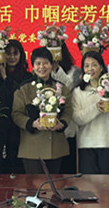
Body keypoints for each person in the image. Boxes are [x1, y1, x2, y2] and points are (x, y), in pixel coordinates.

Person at [12, 46, 73, 174]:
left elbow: (68, 110)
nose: (42, 67)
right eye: (38, 63)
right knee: (35, 185)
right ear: (33, 66)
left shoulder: (61, 88)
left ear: (52, 65)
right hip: (32, 149)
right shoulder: (24, 88)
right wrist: (32, 124)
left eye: (45, 63)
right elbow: (16, 114)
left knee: (55, 184)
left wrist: (62, 123)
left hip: (56, 147)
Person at [71, 51, 109, 174]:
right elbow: (77, 118)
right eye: (86, 66)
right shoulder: (78, 92)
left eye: (94, 65)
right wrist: (96, 108)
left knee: (108, 183)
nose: (90, 69)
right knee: (89, 183)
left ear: (101, 67)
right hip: (87, 145)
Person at [1, 39, 32, 173]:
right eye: (8, 53)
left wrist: (6, 78)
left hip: (19, 125)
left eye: (15, 53)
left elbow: (18, 94)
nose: (12, 57)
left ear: (21, 55)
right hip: (2, 122)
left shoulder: (27, 76)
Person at [53, 41, 81, 173]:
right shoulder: (41, 70)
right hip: (48, 129)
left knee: (68, 170)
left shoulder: (75, 71)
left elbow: (68, 88)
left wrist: (56, 68)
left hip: (68, 126)